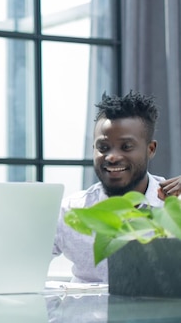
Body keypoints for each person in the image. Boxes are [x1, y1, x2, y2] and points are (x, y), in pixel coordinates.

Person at [53, 90, 180, 283]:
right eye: (103, 148)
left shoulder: (174, 206)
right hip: (82, 312)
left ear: (150, 149)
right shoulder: (71, 210)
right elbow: (19, 263)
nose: (112, 157)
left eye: (126, 147)